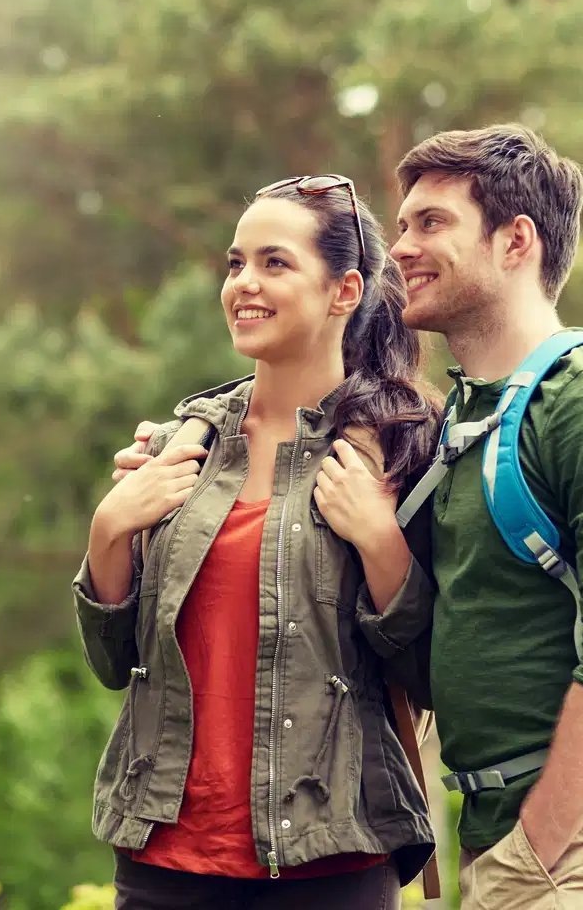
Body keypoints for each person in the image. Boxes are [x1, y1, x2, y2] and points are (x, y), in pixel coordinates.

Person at [117, 125, 583, 908]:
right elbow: (429, 662)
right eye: (401, 226)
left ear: (515, 241)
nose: (400, 249)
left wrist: (539, 847)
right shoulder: (462, 425)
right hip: (499, 831)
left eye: (431, 224)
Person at [74, 174, 441, 909]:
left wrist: (382, 546)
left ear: (344, 291)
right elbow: (116, 663)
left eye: (275, 263)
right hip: (162, 860)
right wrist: (110, 529)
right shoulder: (185, 444)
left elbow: (431, 676)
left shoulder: (401, 449)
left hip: (329, 862)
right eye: (236, 262)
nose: (244, 282)